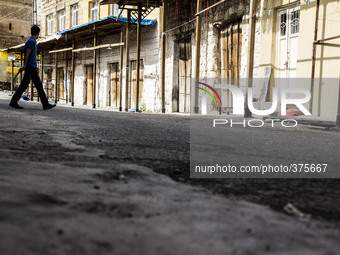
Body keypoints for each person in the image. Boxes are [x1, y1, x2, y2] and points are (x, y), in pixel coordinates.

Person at [9, 25, 56, 110]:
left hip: (31, 67)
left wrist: (33, 65)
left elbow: (30, 55)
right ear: (38, 33)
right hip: (30, 68)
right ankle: (45, 104)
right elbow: (27, 53)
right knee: (38, 86)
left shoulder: (30, 41)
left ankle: (13, 101)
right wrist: (25, 65)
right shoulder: (32, 41)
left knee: (24, 85)